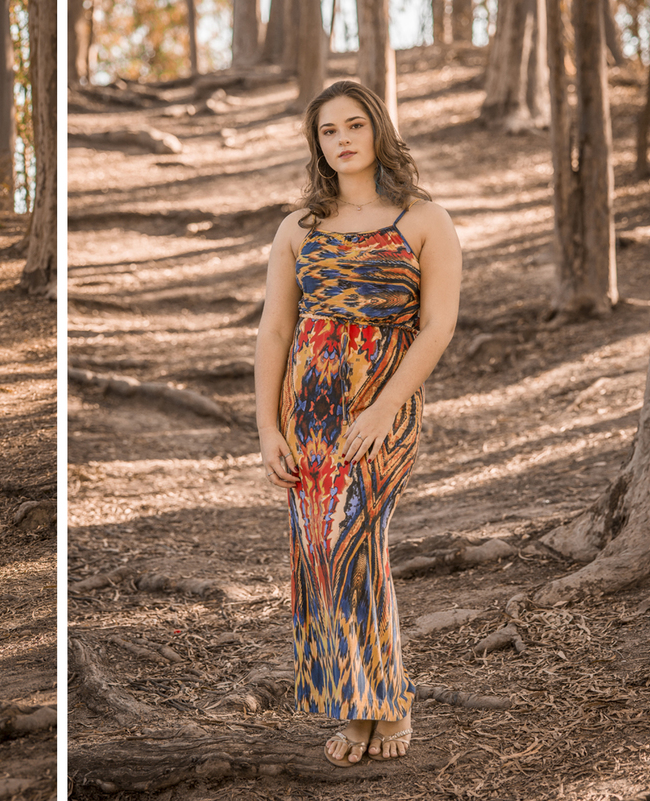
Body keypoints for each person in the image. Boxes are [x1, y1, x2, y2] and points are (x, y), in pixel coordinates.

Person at [253, 80, 462, 767]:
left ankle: (389, 701)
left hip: (382, 404)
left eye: (353, 125)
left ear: (378, 130)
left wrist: (382, 409)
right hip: (307, 409)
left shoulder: (424, 219)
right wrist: (267, 427)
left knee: (355, 540)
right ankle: (354, 702)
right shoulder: (298, 228)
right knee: (317, 552)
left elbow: (437, 328)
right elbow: (276, 329)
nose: (341, 140)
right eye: (327, 131)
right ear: (317, 145)